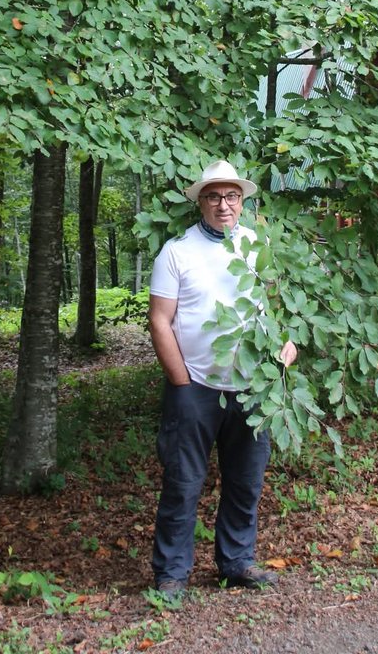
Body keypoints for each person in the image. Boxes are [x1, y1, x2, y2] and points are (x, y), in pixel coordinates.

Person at [149, 158, 297, 600]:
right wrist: (181, 383)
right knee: (183, 482)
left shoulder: (257, 246)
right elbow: (160, 321)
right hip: (194, 388)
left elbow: (276, 309)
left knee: (245, 481)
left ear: (242, 202)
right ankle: (172, 574)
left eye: (231, 196)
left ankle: (235, 564)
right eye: (214, 196)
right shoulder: (177, 252)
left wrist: (286, 346)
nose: (224, 204)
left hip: (253, 389)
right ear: (201, 202)